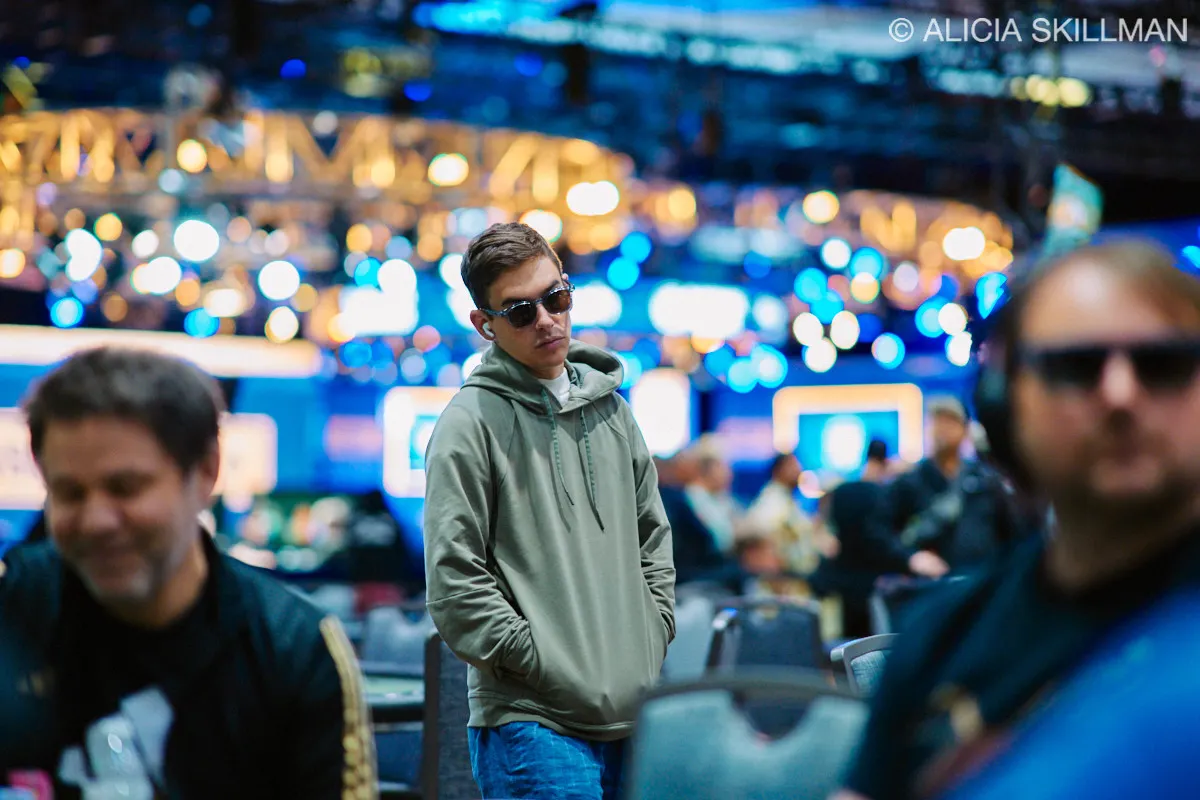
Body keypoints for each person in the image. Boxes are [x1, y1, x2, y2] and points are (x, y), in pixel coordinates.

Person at [832, 240, 1200, 800]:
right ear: (1006, 407)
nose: (1121, 394)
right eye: (1075, 367)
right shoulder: (941, 635)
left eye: (1163, 364)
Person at [0, 347, 376, 798]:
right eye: (70, 493)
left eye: (125, 488)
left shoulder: (292, 649)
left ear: (205, 472)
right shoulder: (13, 614)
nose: (97, 520)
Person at [423, 222, 675, 799]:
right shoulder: (468, 425)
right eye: (520, 311)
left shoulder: (613, 411)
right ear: (484, 325)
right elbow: (455, 584)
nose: (546, 320)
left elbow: (652, 539)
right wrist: (540, 660)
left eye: (555, 298)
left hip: (635, 715)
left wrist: (652, 632)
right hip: (533, 724)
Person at [811, 440, 946, 638]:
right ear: (886, 462)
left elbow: (830, 534)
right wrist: (910, 558)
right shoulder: (883, 494)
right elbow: (877, 538)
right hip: (874, 589)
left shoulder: (842, 492)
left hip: (840, 589)